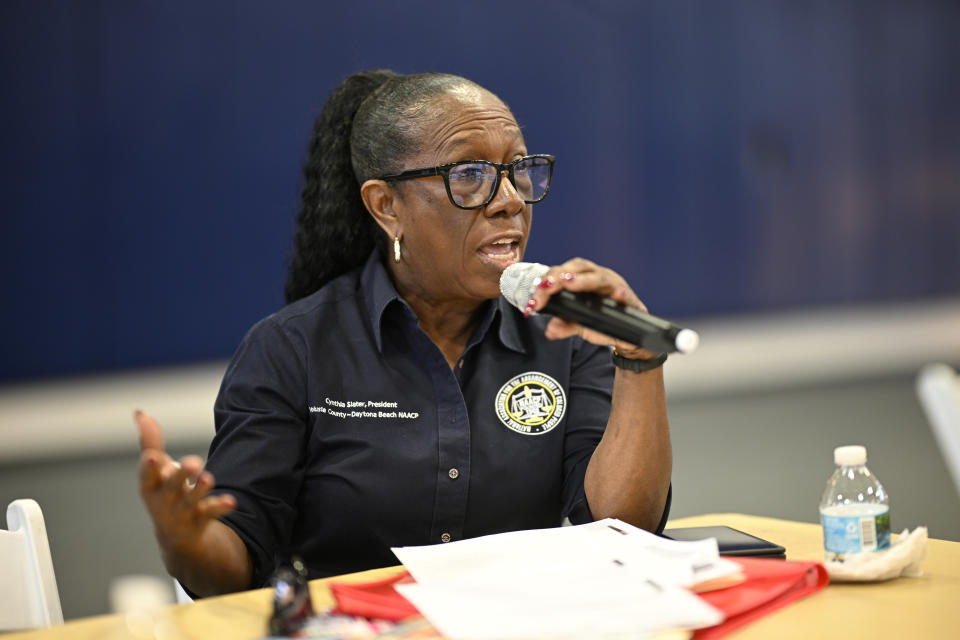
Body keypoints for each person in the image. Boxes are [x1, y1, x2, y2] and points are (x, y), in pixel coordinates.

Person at [136, 69, 672, 597]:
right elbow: (233, 559)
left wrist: (637, 356)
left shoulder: (564, 332)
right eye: (470, 174)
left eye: (518, 170)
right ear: (387, 207)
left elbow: (620, 528)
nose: (511, 199)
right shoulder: (292, 349)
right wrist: (185, 539)